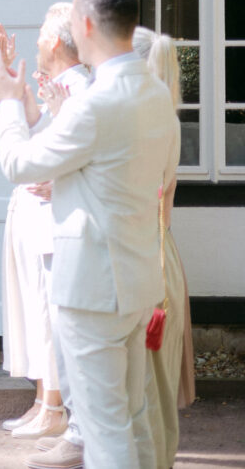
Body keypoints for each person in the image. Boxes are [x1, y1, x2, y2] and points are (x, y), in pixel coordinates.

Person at [0, 0, 178, 469]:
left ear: (87, 24)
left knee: (105, 430)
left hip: (94, 287)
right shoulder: (157, 96)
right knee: (133, 418)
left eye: (72, 18)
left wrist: (7, 100)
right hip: (137, 281)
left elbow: (20, 165)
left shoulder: (94, 104)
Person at [0, 4, 89, 441]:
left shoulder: (79, 89)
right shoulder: (57, 85)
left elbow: (50, 152)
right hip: (30, 205)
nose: (34, 42)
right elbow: (30, 129)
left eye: (39, 35)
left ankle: (55, 407)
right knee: (32, 310)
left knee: (47, 311)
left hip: (51, 214)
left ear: (55, 42)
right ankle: (42, 401)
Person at [133, 26, 194, 469]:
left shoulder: (140, 121)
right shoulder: (166, 118)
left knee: (143, 391)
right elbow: (165, 210)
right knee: (156, 387)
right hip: (162, 253)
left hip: (144, 258)